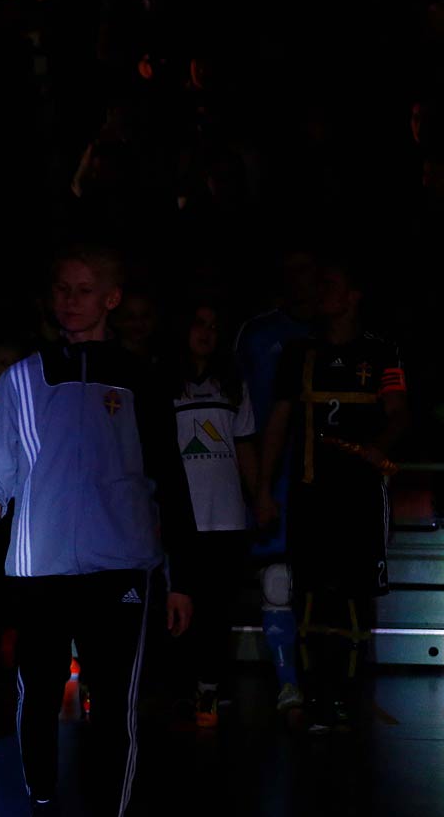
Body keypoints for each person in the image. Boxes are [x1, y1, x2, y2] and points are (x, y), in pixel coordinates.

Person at [0, 247, 195, 817]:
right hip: (38, 567)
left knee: (114, 707)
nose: (70, 300)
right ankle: (43, 810)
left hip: (121, 567)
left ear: (111, 299)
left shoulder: (140, 379)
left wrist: (181, 577)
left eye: (85, 290)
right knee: (36, 696)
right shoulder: (22, 379)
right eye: (62, 289)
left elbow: (167, 482)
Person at [254, 261, 407, 734]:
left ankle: (348, 694)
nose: (321, 292)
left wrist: (378, 448)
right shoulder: (300, 352)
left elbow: (399, 412)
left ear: (355, 295)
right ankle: (315, 693)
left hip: (360, 497)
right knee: (310, 596)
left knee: (356, 597)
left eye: (332, 283)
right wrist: (262, 488)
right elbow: (279, 423)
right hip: (309, 496)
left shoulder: (383, 352)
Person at [233, 250, 316, 713]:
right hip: (274, 479)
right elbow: (242, 415)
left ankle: (329, 688)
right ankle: (289, 686)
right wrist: (258, 485)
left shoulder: (337, 335)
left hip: (328, 482)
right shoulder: (259, 334)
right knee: (278, 581)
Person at [171, 302, 258, 726]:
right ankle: (180, 687)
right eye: (198, 323)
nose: (206, 332)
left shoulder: (232, 385)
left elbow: (244, 444)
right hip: (182, 517)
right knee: (179, 608)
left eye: (213, 325)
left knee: (217, 610)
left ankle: (210, 687)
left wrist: (259, 495)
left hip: (226, 517)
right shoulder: (165, 382)